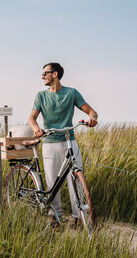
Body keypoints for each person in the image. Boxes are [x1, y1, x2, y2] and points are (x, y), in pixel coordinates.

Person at [28, 62, 98, 224]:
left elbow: (90, 111)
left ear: (55, 74)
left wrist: (93, 118)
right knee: (53, 181)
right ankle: (55, 215)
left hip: (69, 140)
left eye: (45, 73)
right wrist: (36, 129)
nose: (42, 76)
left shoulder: (71, 93)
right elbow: (32, 118)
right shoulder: (41, 96)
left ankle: (78, 216)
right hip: (50, 141)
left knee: (76, 178)